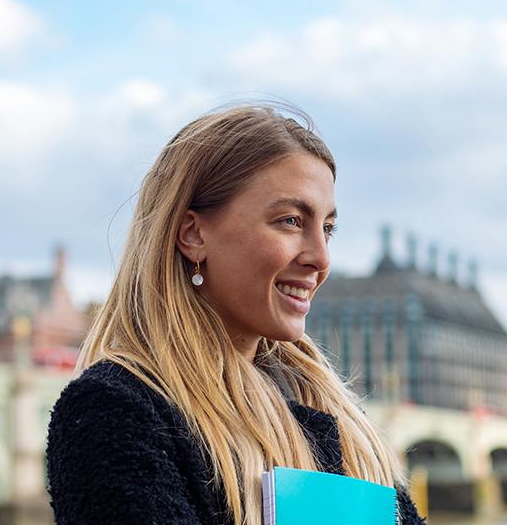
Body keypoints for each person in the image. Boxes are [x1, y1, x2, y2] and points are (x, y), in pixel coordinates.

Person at [46, 105, 426, 525]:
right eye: (290, 221)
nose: (320, 258)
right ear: (193, 234)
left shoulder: (339, 419)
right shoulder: (115, 412)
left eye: (328, 229)